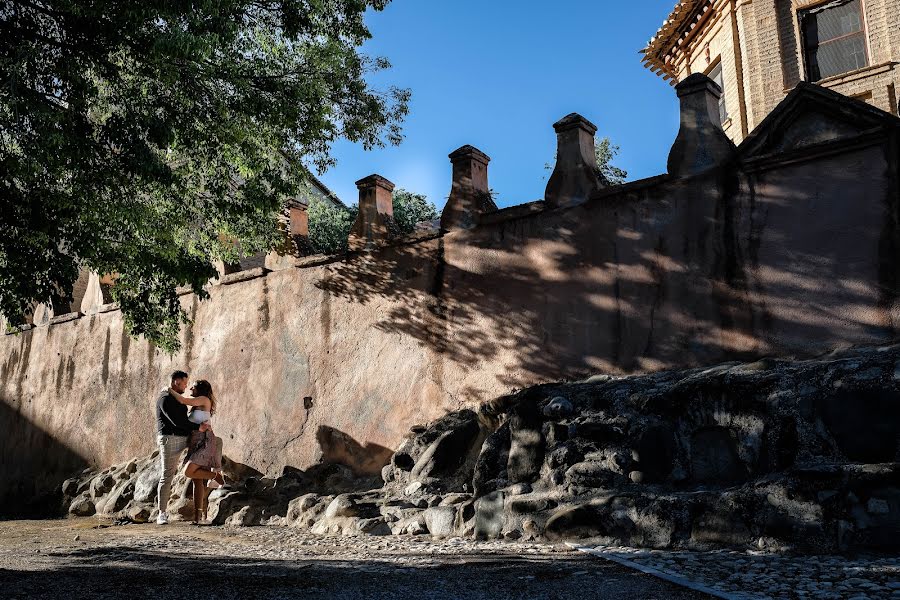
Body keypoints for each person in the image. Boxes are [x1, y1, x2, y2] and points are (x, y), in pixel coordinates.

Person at [169, 379, 224, 524]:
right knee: (197, 480)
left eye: (192, 386)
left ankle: (215, 475)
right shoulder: (196, 405)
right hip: (194, 442)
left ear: (199, 389)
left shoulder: (204, 399)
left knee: (188, 471)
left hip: (205, 441)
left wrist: (167, 389)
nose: (190, 388)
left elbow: (181, 400)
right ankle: (197, 517)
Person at [155, 370, 207, 525]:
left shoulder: (178, 398)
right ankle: (162, 514)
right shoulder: (164, 399)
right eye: (184, 383)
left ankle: (200, 514)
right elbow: (177, 422)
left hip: (185, 438)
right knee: (167, 475)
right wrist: (199, 427)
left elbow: (184, 413)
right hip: (170, 439)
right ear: (176, 382)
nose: (186, 385)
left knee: (197, 469)